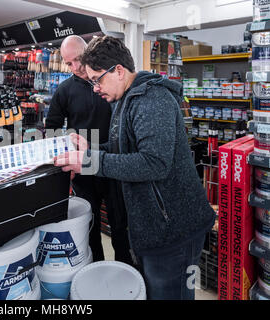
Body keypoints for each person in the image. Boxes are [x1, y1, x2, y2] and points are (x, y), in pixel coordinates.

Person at [54, 35, 216, 300]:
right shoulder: (126, 98)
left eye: (97, 80)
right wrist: (89, 150)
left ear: (118, 71)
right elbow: (123, 147)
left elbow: (153, 164)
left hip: (175, 229)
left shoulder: (152, 101)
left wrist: (89, 161)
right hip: (153, 227)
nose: (94, 88)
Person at [45, 35, 133, 265]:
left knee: (120, 223)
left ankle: (125, 269)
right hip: (82, 169)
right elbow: (52, 128)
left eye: (78, 60)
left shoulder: (113, 82)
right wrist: (63, 157)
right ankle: (95, 269)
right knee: (89, 224)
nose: (75, 67)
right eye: (68, 63)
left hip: (114, 163)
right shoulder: (64, 90)